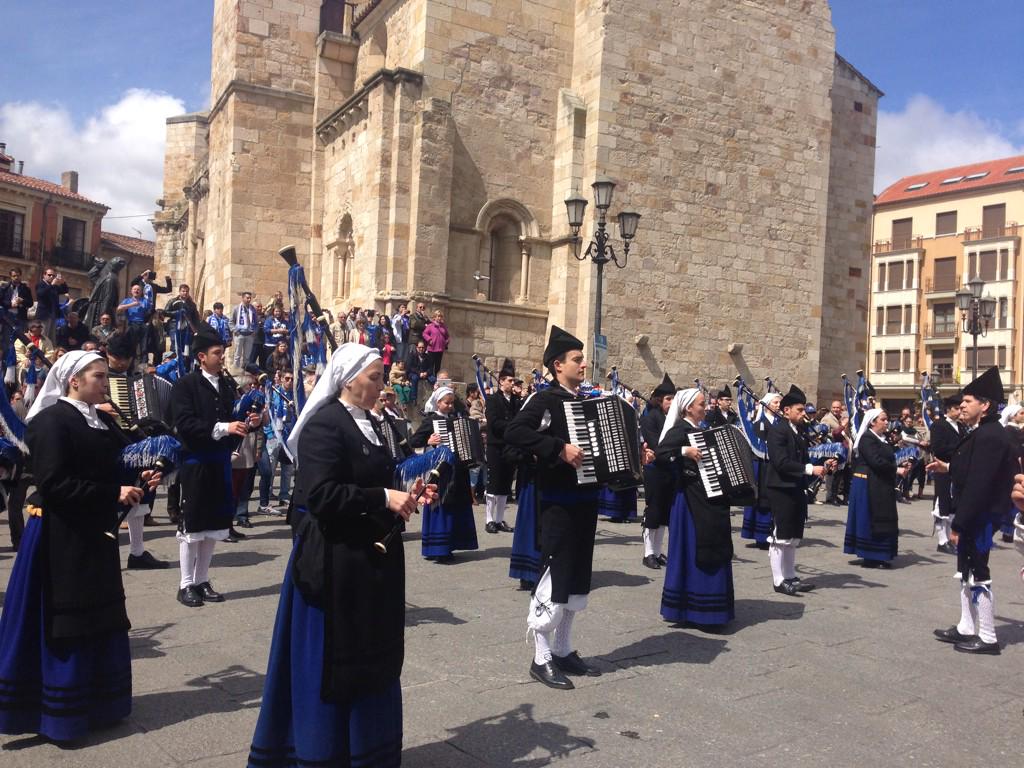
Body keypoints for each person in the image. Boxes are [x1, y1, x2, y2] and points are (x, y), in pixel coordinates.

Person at [247, 344, 435, 767]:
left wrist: (410, 493)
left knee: (374, 658)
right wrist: (384, 496)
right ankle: (325, 753)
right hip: (334, 565)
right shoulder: (325, 425)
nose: (381, 386)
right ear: (348, 379)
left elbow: (376, 482)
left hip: (371, 563)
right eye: (374, 378)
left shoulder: (372, 422)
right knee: (335, 664)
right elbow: (320, 496)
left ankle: (367, 751)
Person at [0, 350, 159, 742]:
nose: (106, 383)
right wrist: (113, 493)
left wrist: (141, 475)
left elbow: (114, 464)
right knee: (68, 618)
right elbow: (53, 485)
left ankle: (101, 704)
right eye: (99, 376)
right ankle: (61, 714)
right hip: (61, 536)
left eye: (105, 376)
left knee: (100, 615)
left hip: (94, 531)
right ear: (74, 380)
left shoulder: (102, 419)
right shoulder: (51, 420)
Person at [505, 325, 603, 690]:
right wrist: (558, 448)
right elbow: (514, 432)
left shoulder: (587, 401)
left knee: (577, 576)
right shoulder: (545, 399)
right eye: (577, 359)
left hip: (586, 499)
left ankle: (563, 649)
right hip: (559, 501)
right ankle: (541, 656)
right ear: (557, 365)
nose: (584, 364)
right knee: (555, 574)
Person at [928, 367, 1017, 655]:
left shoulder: (991, 435)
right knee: (965, 570)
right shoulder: (983, 431)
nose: (961, 406)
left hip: (979, 516)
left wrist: (960, 524)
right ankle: (967, 626)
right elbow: (974, 469)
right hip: (974, 514)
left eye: (967, 402)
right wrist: (949, 467)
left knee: (978, 571)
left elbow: (980, 483)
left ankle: (988, 636)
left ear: (985, 405)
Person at [170, 325, 261, 607]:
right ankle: (185, 583)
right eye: (217, 353)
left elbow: (234, 416)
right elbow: (184, 423)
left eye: (222, 353)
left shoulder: (224, 386)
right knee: (193, 523)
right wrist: (223, 427)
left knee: (213, 524)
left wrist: (251, 423)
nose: (222, 358)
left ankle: (201, 579)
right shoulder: (186, 385)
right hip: (196, 461)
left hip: (219, 461)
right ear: (201, 356)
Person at [655, 387, 735, 626]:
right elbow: (661, 454)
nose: (706, 407)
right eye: (702, 404)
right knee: (692, 548)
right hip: (689, 499)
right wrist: (684, 451)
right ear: (689, 407)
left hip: (708, 496)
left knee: (712, 543)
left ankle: (709, 607)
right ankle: (693, 609)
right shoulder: (680, 429)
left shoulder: (703, 430)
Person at [98, 332, 169, 567]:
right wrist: (99, 407)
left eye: (126, 358)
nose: (123, 363)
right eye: (118, 358)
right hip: (108, 444)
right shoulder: (96, 372)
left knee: (139, 497)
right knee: (114, 499)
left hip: (134, 445)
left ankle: (137, 552)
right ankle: (104, 553)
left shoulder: (136, 377)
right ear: (108, 354)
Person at [765, 385, 830, 597]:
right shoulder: (777, 430)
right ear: (786, 411)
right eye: (800, 410)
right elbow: (781, 462)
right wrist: (810, 469)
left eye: (804, 410)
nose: (804, 414)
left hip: (796, 487)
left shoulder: (798, 431)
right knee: (781, 535)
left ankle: (791, 575)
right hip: (781, 488)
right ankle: (778, 580)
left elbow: (802, 459)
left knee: (793, 536)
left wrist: (822, 464)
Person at [410, 387, 479, 560]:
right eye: (446, 403)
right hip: (440, 469)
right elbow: (414, 441)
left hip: (458, 469)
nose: (449, 406)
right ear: (438, 403)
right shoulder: (431, 420)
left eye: (451, 403)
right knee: (441, 503)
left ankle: (454, 543)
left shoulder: (458, 419)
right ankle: (439, 549)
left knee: (457, 504)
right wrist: (429, 440)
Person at [844, 409, 904, 568]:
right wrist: (895, 469)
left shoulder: (882, 439)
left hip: (879, 482)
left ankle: (880, 553)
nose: (886, 423)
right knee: (869, 517)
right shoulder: (867, 439)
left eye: (887, 420)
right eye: (883, 420)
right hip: (867, 483)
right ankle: (871, 555)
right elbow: (875, 461)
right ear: (872, 422)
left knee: (881, 515)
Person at [640, 375, 677, 568]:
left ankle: (657, 550)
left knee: (665, 513)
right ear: (659, 400)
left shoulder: (676, 420)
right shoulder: (650, 419)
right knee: (654, 510)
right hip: (655, 470)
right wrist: (673, 453)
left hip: (671, 469)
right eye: (668, 399)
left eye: (673, 398)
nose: (671, 402)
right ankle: (648, 553)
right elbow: (656, 446)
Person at [741, 391, 782, 550]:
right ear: (767, 405)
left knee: (771, 499)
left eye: (779, 403)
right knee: (761, 499)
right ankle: (760, 536)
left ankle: (769, 532)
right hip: (762, 465)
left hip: (773, 464)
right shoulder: (760, 422)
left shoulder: (779, 421)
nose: (778, 406)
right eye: (775, 403)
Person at [484, 361, 521, 534]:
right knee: (494, 483)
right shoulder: (492, 399)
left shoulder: (515, 401)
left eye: (513, 381)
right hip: (496, 446)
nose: (512, 384)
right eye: (510, 381)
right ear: (501, 382)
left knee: (505, 484)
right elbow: (494, 422)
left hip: (510, 447)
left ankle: (499, 520)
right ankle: (489, 520)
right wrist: (513, 427)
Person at [929, 394, 963, 555]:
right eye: (957, 408)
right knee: (942, 506)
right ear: (948, 409)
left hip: (955, 471)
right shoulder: (939, 425)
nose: (960, 412)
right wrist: (960, 451)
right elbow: (938, 448)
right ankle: (942, 540)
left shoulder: (961, 426)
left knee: (952, 507)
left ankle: (950, 538)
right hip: (942, 470)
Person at [997, 403, 1024, 543]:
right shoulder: (1008, 431)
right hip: (1012, 470)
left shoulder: (1018, 431)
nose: (1023, 416)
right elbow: (1015, 451)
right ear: (1013, 416)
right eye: (1021, 413)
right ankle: (1008, 531)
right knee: (1013, 502)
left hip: (1018, 469)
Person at [34, 266, 68, 343]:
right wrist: (51, 285)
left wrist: (63, 282)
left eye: (53, 275)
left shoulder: (54, 286)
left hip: (53, 315)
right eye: (49, 275)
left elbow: (64, 290)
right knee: (43, 337)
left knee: (51, 338)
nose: (51, 277)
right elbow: (41, 294)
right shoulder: (41, 284)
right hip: (44, 316)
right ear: (44, 275)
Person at [232, 292, 258, 371]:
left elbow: (256, 322)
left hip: (249, 334)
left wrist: (255, 331)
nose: (249, 299)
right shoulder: (236, 308)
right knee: (237, 355)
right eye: (247, 298)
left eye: (250, 298)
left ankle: (245, 371)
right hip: (240, 334)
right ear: (243, 298)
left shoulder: (253, 309)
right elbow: (231, 321)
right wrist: (235, 330)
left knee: (247, 356)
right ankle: (235, 372)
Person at [421, 310, 449, 376]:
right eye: (438, 316)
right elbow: (424, 333)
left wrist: (446, 342)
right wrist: (429, 339)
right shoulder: (430, 326)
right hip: (432, 348)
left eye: (441, 316)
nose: (439, 318)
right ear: (434, 317)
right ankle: (431, 379)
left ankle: (437, 379)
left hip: (440, 349)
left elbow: (447, 336)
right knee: (431, 365)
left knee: (438, 366)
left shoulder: (443, 326)